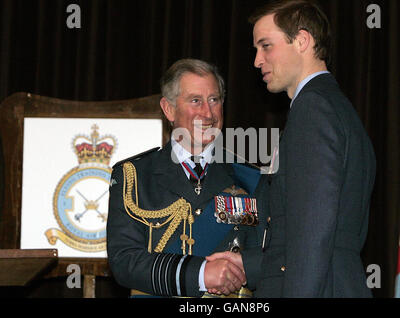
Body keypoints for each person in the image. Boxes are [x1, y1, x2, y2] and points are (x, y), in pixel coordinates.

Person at [249, 0, 376, 297]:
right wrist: (248, 263)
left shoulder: (313, 109)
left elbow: (311, 234)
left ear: (302, 41)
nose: (257, 60)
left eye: (266, 46)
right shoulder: (334, 106)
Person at [107, 59, 261, 297]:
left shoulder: (250, 177)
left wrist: (246, 268)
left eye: (214, 100)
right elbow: (124, 262)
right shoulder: (134, 176)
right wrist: (200, 273)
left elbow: (272, 255)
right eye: (195, 100)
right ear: (169, 109)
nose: (208, 113)